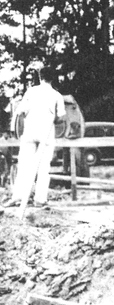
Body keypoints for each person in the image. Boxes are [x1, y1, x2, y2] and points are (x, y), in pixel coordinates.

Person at [4, 67, 65, 207]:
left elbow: (20, 112)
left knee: (24, 165)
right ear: (53, 78)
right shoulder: (57, 95)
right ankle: (39, 200)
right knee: (44, 168)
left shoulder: (31, 91)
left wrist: (16, 130)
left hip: (30, 132)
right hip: (46, 134)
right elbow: (61, 118)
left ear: (40, 76)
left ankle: (18, 196)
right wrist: (52, 117)